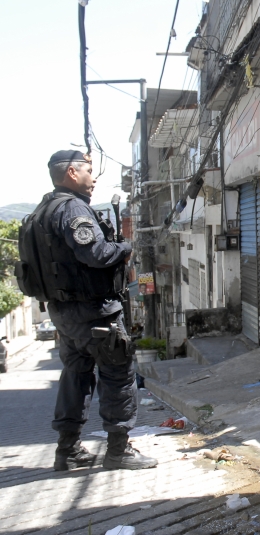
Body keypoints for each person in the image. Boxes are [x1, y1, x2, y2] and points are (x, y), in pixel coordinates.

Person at [39, 150, 157, 471]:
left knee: (75, 376)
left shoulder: (44, 210)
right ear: (72, 174)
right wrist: (125, 247)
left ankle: (68, 450)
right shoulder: (73, 209)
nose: (94, 178)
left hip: (65, 315)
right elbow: (96, 254)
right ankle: (118, 450)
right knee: (117, 372)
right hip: (95, 311)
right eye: (89, 171)